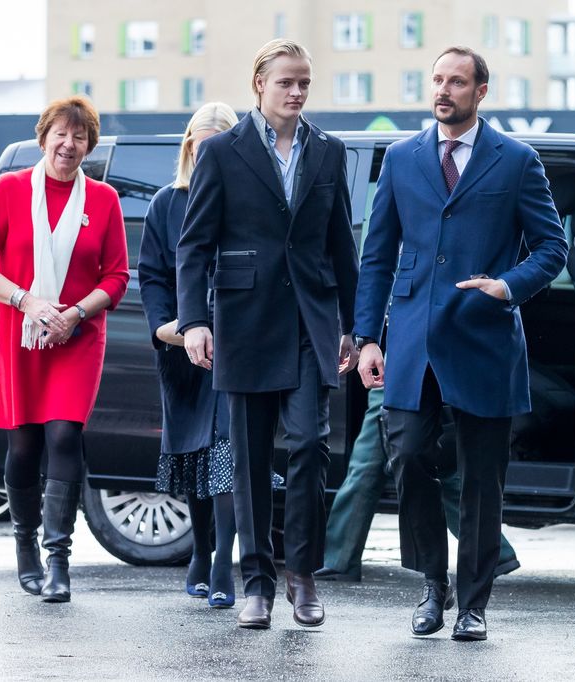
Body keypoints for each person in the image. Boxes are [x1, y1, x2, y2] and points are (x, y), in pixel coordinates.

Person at [352, 47, 567, 641]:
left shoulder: (516, 160)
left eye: (457, 82)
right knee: (410, 456)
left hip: (483, 338)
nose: (444, 90)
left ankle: (473, 603)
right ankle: (431, 583)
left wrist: (507, 285)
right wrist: (368, 337)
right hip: (413, 341)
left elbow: (553, 248)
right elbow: (376, 256)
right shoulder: (401, 158)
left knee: (480, 478)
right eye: (438, 80)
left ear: (481, 91)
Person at [177, 39, 359, 630]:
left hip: (311, 319)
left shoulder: (328, 152)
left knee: (309, 444)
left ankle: (301, 575)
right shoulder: (224, 153)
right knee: (251, 458)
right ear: (259, 84)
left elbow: (341, 247)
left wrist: (355, 327)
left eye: (305, 82)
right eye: (286, 82)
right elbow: (195, 244)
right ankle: (255, 581)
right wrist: (195, 321)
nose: (297, 91)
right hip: (244, 320)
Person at [0, 96, 130, 603]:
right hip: (20, 335)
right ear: (44, 137)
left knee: (63, 437)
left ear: (89, 146)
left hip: (76, 337)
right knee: (24, 446)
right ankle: (25, 548)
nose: (69, 144)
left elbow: (117, 276)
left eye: (79, 137)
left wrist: (75, 312)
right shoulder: (10, 190)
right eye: (61, 133)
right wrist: (27, 301)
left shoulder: (103, 200)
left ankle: (59, 561)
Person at [139, 101, 274, 609]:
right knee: (194, 451)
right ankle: (201, 549)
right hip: (180, 346)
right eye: (202, 138)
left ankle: (222, 562)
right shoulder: (165, 203)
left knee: (226, 448)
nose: (209, 147)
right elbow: (152, 274)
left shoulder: (248, 200)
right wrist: (164, 328)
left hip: (236, 345)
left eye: (221, 138)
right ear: (190, 143)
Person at [315, 386, 521, 582]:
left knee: (378, 464)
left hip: (404, 368)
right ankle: (494, 552)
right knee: (427, 470)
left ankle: (339, 559)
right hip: (405, 368)